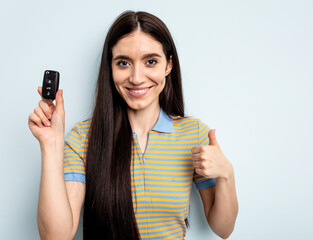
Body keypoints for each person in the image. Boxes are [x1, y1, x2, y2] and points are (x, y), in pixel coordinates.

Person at [28, 10, 238, 240]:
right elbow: (56, 237)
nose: (137, 78)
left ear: (168, 65)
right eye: (124, 63)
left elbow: (223, 229)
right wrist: (51, 145)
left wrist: (226, 174)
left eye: (150, 61)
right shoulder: (82, 138)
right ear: (110, 67)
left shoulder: (195, 134)